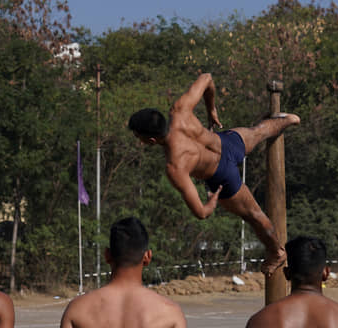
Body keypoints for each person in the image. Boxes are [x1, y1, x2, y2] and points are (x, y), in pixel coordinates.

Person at [128, 73, 300, 276]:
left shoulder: (175, 164)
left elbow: (202, 212)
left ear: (151, 140)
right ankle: (289, 120)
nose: (140, 142)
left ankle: (277, 252)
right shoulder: (180, 110)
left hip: (221, 176)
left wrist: (213, 199)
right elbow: (208, 78)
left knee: (254, 215)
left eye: (139, 138)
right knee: (258, 131)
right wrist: (211, 109)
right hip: (225, 143)